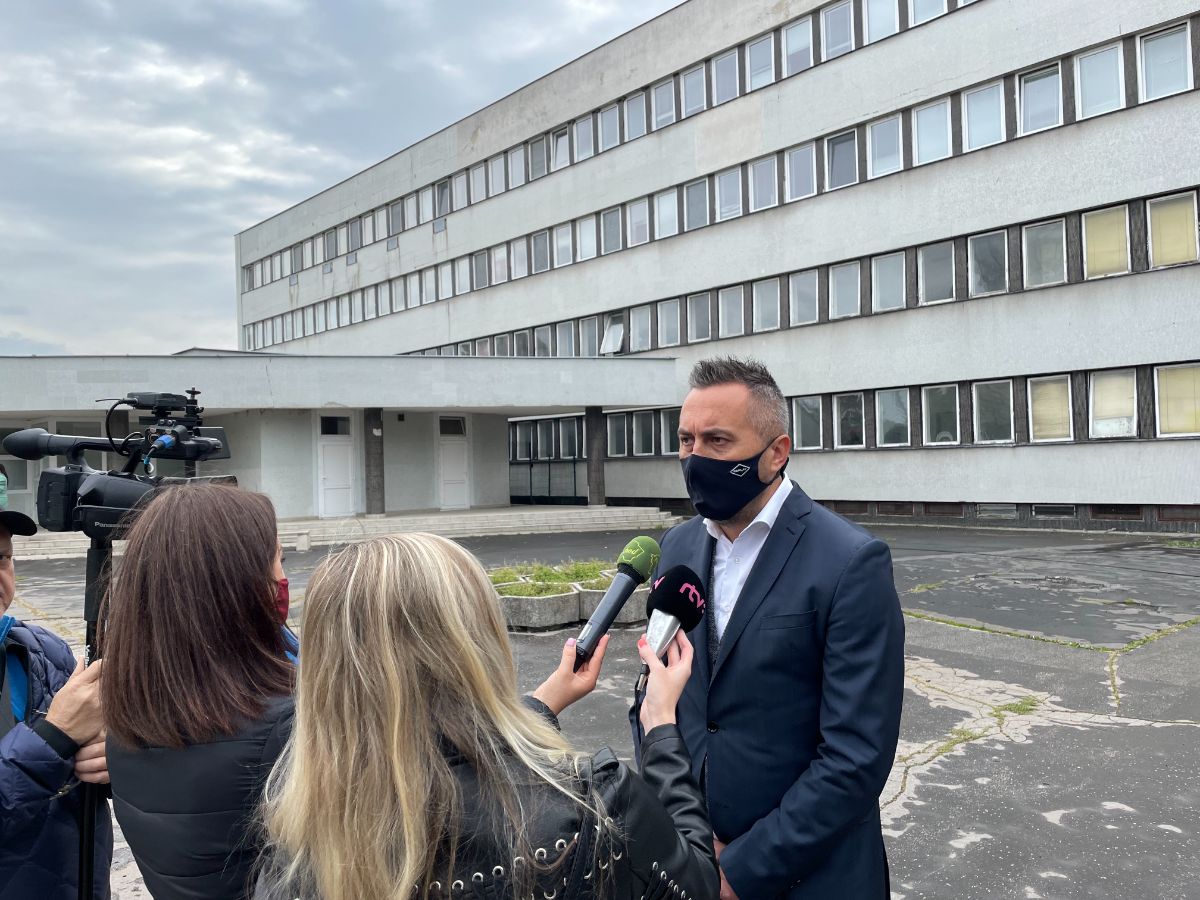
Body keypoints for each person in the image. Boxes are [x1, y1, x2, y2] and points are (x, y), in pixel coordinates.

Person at [256, 532, 718, 900]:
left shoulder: (295, 851)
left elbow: (451, 756)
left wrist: (543, 703)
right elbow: (695, 881)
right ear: (474, 647)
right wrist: (661, 725)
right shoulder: (595, 806)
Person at [654, 356, 905, 899]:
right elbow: (654, 697)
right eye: (686, 440)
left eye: (717, 441)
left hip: (811, 875)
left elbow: (855, 757)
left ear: (777, 452)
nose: (695, 458)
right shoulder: (676, 547)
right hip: (689, 858)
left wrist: (739, 870)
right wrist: (675, 827)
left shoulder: (850, 562)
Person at [102, 483, 296, 899]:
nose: (283, 578)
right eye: (277, 560)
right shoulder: (281, 727)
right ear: (236, 585)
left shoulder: (130, 717)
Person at [0, 507, 113, 899]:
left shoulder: (45, 651)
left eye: (2, 558)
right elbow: (58, 740)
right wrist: (54, 737)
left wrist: (113, 757)